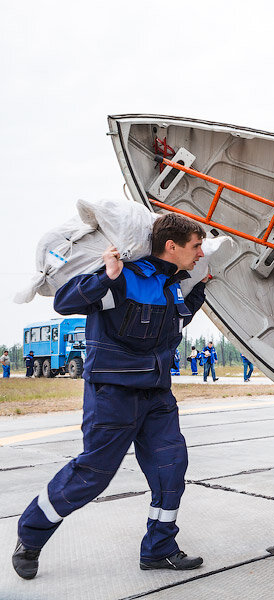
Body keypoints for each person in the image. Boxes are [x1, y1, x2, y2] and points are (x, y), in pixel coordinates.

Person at [13, 213, 209, 580]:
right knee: (93, 475)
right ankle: (31, 535)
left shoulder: (173, 286)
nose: (201, 253)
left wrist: (198, 292)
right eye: (196, 246)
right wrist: (108, 276)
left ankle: (159, 549)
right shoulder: (126, 278)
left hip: (157, 396)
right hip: (113, 394)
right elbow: (65, 302)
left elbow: (171, 328)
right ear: (172, 246)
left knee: (171, 471)